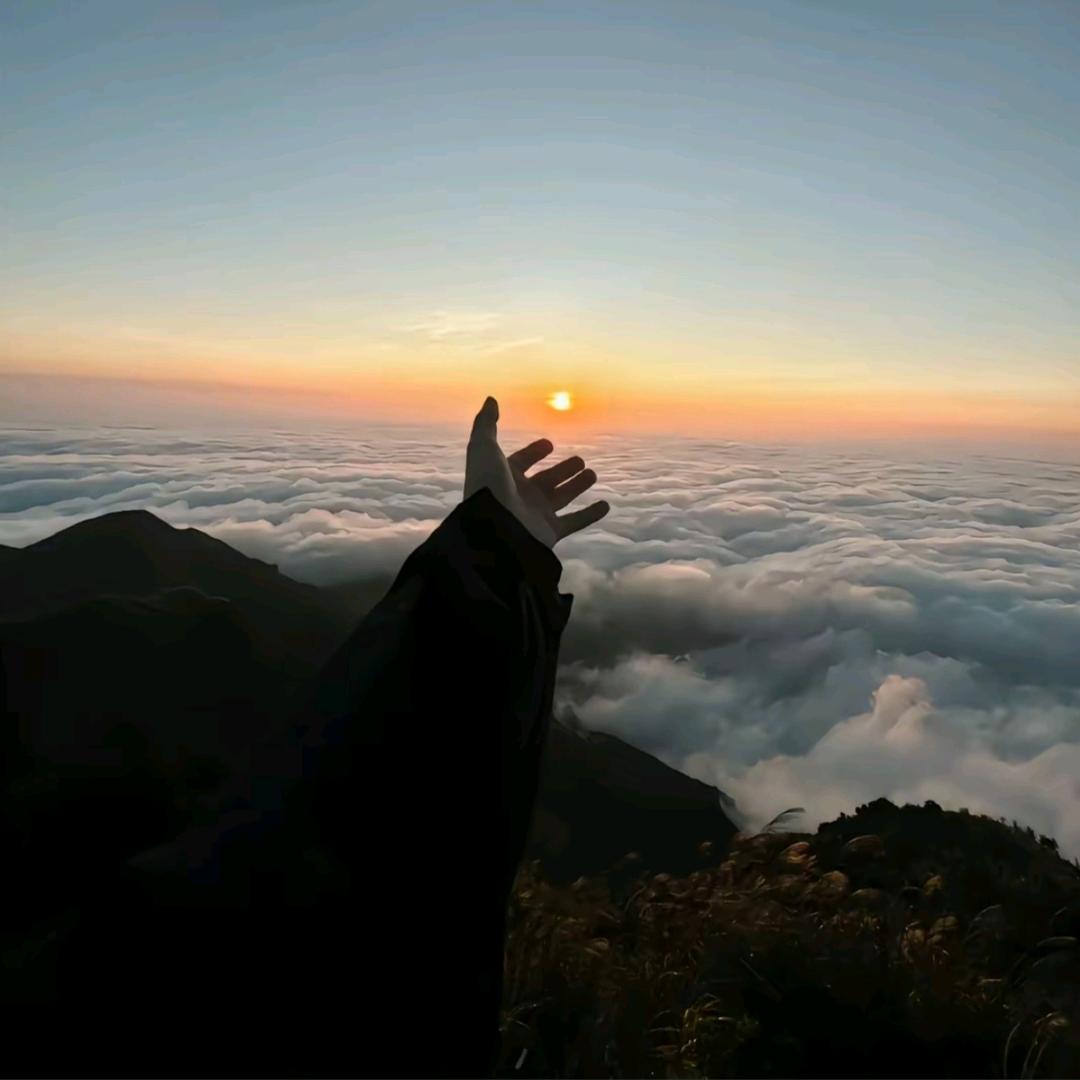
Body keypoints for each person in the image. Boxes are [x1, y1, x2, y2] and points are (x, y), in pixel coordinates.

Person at [41, 397, 609, 1079]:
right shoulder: (150, 961)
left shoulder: (85, 980)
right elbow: (392, 876)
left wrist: (498, 558)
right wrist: (495, 561)